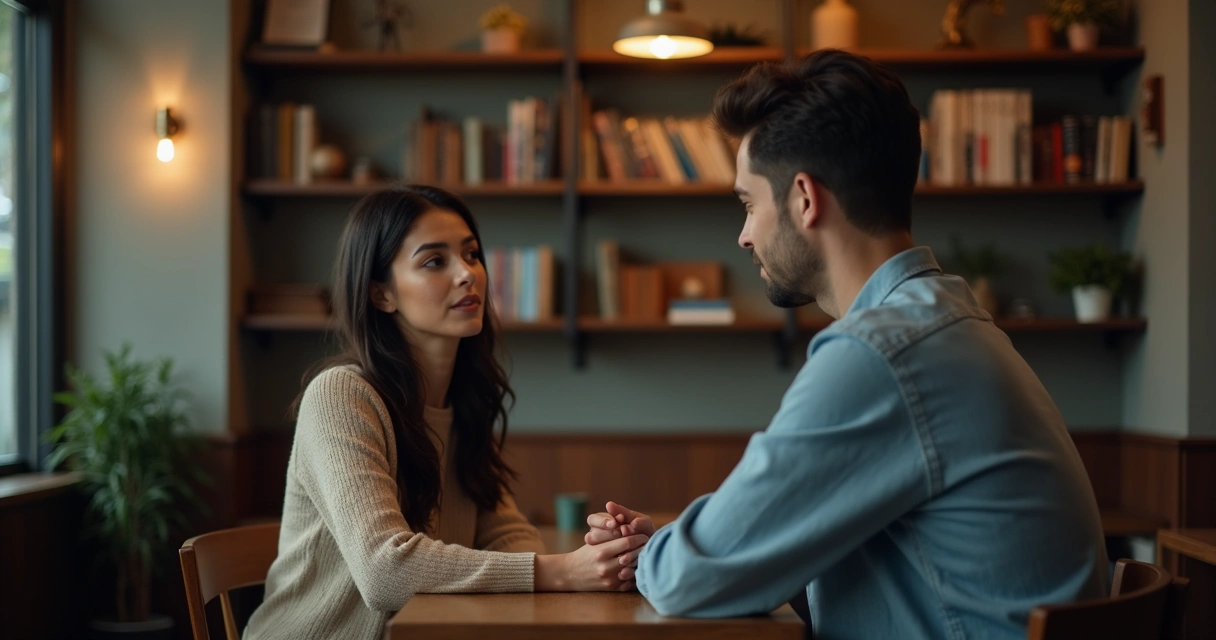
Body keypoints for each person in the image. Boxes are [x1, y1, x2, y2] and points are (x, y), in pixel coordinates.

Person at [584, 50, 1109, 639]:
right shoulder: (946, 323)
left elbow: (688, 580)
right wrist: (685, 548)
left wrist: (659, 557)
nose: (744, 235)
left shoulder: (884, 353)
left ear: (805, 199)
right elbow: (773, 553)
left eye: (749, 204)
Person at [244, 186, 647, 640]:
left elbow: (508, 532)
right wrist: (562, 571)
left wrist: (599, 554)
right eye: (435, 261)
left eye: (471, 254)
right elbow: (385, 572)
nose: (467, 274)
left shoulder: (463, 402)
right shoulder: (341, 396)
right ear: (382, 294)